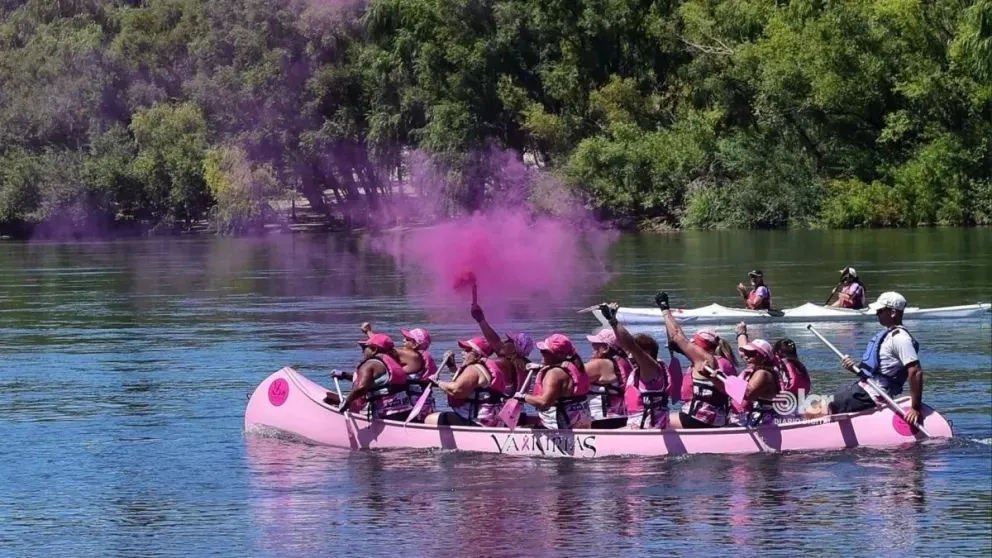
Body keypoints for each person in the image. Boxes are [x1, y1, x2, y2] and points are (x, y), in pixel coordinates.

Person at [825, 292, 925, 425]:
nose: (877, 314)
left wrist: (915, 408)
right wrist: (853, 367)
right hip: (864, 390)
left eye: (880, 311)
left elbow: (915, 371)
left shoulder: (901, 338)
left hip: (871, 395)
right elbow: (878, 372)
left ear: (893, 312)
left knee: (816, 406)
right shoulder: (889, 335)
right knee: (822, 401)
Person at [655, 292, 737, 429]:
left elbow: (676, 334)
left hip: (699, 418)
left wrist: (664, 309)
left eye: (695, 344)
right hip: (719, 418)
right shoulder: (725, 361)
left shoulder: (705, 359)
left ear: (701, 346)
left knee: (658, 420)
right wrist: (681, 350)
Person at [600, 304, 670, 429]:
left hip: (647, 431)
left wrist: (613, 321)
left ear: (647, 353)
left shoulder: (651, 368)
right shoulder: (642, 369)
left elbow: (631, 344)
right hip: (639, 426)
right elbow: (626, 345)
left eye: (634, 352)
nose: (630, 356)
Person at [323, 333, 413, 421]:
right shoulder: (393, 362)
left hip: (385, 414)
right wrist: (344, 375)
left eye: (364, 348)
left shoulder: (369, 364)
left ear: (374, 349)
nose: (362, 351)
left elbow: (361, 388)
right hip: (405, 410)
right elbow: (374, 380)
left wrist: (347, 402)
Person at [425, 336, 510, 427]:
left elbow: (456, 390)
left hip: (477, 421)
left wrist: (437, 382)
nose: (463, 352)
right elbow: (464, 384)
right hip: (489, 420)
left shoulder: (473, 369)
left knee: (429, 419)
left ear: (478, 355)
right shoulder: (483, 367)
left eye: (467, 350)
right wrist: (452, 367)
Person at [522, 334, 592, 429]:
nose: (541, 353)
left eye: (544, 352)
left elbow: (544, 403)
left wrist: (523, 397)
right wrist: (541, 368)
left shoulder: (554, 373)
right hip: (580, 422)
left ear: (558, 355)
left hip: (557, 427)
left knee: (522, 427)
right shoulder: (577, 367)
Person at [470, 302, 534, 394]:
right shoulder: (522, 363)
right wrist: (481, 320)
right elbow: (495, 342)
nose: (505, 341)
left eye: (510, 341)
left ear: (514, 349)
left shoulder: (502, 363)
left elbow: (496, 344)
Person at [730, 323, 780, 426]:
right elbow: (743, 353)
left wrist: (723, 381)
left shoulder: (763, 374)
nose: (746, 357)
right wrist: (741, 333)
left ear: (763, 357)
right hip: (757, 417)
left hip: (764, 422)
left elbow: (747, 394)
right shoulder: (760, 368)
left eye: (751, 354)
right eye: (746, 353)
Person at [583, 328, 630, 425]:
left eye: (597, 344)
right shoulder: (625, 363)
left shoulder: (600, 364)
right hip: (623, 417)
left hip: (599, 419)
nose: (592, 345)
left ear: (606, 348)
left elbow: (572, 377)